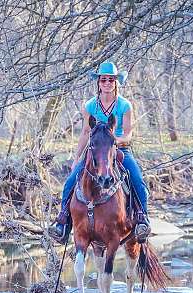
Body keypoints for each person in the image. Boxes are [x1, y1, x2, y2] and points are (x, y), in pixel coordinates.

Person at [48, 61, 151, 244]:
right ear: (98, 82)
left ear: (116, 82)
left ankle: (142, 219)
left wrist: (114, 142)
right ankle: (62, 222)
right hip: (94, 151)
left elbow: (128, 133)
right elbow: (85, 133)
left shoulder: (125, 105)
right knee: (71, 181)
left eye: (111, 80)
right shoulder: (90, 106)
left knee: (137, 180)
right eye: (103, 80)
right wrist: (76, 158)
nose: (107, 83)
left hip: (120, 149)